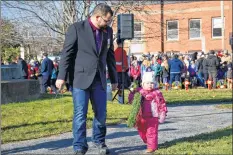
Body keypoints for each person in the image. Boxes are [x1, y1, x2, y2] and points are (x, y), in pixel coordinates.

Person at [56, 4, 118, 155]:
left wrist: (114, 79)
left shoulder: (108, 32)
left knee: (101, 114)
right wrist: (61, 76)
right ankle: (79, 146)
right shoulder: (77, 28)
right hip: (80, 79)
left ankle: (99, 142)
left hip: (99, 80)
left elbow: (110, 56)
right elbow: (67, 54)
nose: (108, 24)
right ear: (97, 17)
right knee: (80, 114)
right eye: (107, 20)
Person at [132, 72, 167, 153]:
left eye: (152, 83)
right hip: (141, 117)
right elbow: (131, 100)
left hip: (153, 117)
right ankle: (147, 141)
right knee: (142, 131)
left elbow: (162, 103)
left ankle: (152, 147)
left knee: (152, 132)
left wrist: (162, 113)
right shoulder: (139, 92)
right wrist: (132, 92)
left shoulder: (157, 93)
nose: (150, 85)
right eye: (147, 83)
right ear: (143, 84)